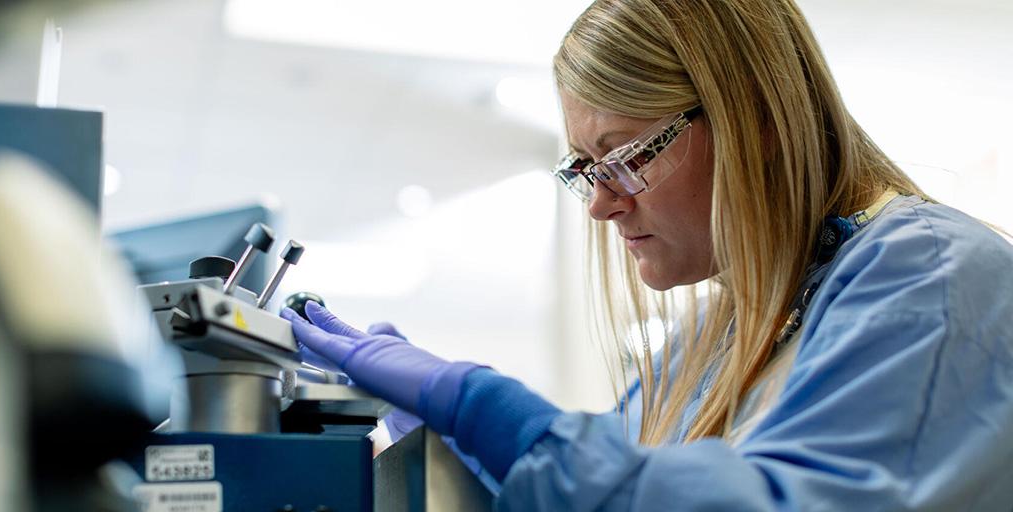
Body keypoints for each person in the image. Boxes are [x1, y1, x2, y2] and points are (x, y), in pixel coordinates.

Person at [281, 0, 1013, 509]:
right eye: (584, 170)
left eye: (625, 157)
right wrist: (449, 444)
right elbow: (605, 486)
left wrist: (488, 409)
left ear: (753, 120)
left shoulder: (935, 283)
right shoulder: (716, 335)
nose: (600, 204)